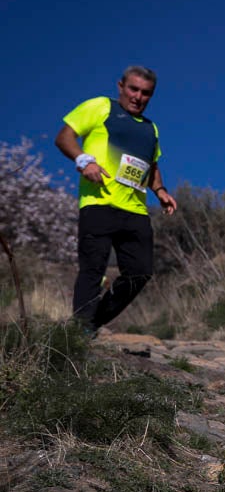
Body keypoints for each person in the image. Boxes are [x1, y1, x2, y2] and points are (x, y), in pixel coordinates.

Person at [55, 65, 177, 333]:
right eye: (133, 89)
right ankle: (81, 332)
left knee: (140, 272)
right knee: (93, 270)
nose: (138, 97)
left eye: (146, 93)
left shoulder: (151, 129)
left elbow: (152, 165)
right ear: (121, 86)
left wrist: (160, 191)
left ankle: (89, 324)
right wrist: (83, 160)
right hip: (98, 203)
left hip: (135, 210)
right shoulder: (101, 107)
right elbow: (64, 137)